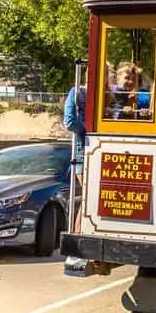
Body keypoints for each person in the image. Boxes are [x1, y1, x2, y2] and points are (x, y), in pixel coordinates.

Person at [62, 75, 87, 274]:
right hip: (84, 152)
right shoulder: (77, 92)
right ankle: (77, 248)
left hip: (103, 150)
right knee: (88, 198)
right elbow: (69, 121)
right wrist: (93, 129)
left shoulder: (109, 95)